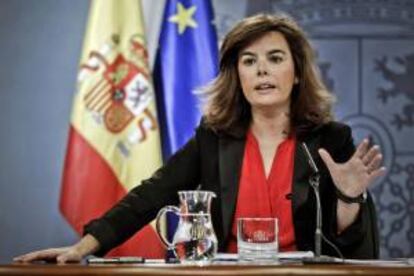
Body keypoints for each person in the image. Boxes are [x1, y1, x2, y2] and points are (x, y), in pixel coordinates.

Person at [15, 13, 385, 263]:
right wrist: (84, 247)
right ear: (237, 75)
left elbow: (355, 254)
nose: (262, 71)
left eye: (275, 58)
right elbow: (151, 195)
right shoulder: (215, 139)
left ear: (298, 73)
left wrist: (349, 200)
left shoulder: (330, 141)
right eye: (249, 61)